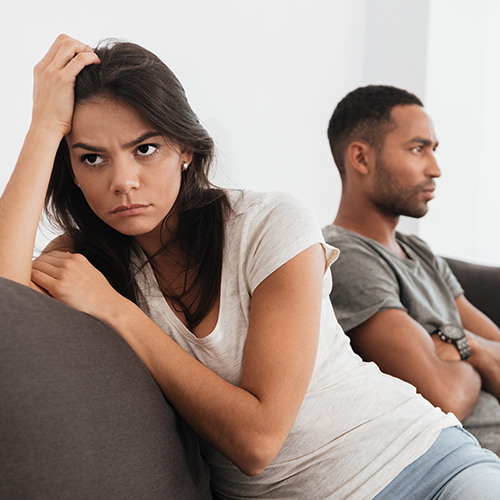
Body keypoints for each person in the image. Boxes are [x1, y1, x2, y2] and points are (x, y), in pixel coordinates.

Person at [1, 36, 500, 500]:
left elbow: (258, 440)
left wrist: (116, 312)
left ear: (186, 150)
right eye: (91, 158)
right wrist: (43, 126)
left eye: (145, 149)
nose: (123, 181)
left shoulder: (269, 224)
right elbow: (7, 307)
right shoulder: (92, 261)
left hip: (426, 467)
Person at [323, 84, 500, 456]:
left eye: (434, 150)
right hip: (471, 460)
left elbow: (494, 344)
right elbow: (443, 395)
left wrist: (461, 348)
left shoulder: (418, 251)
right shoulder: (346, 257)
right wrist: (481, 355)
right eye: (418, 149)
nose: (435, 169)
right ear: (361, 158)